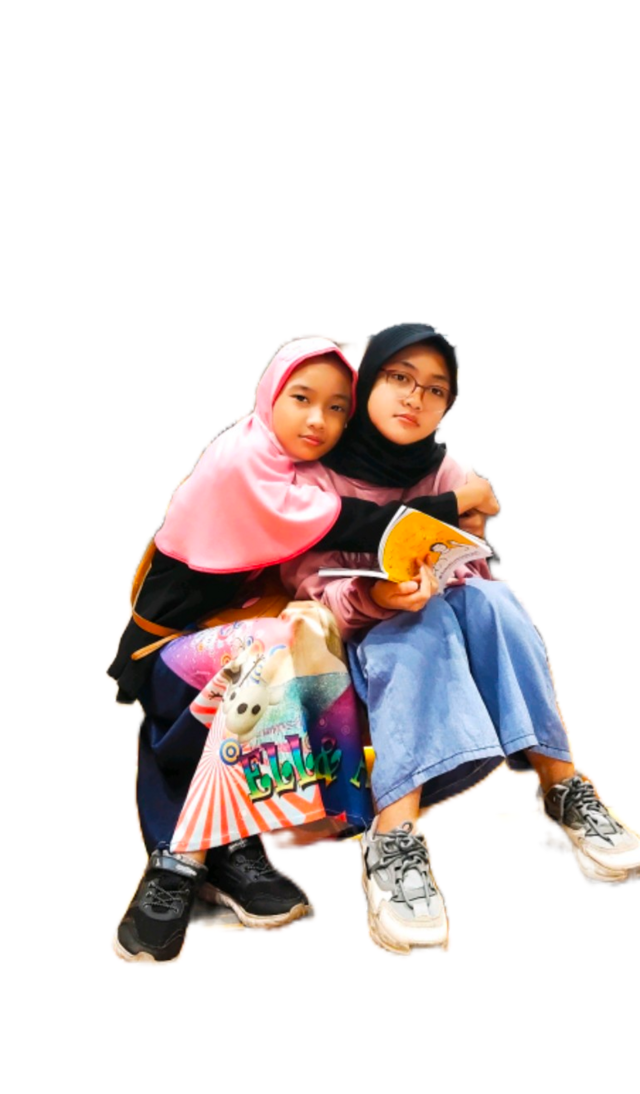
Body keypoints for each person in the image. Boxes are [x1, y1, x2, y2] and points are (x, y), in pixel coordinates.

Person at [107, 333, 482, 966]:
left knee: (292, 638)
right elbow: (352, 522)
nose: (318, 420)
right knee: (286, 637)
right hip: (167, 657)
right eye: (302, 398)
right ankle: (183, 862)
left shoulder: (295, 471)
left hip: (234, 655)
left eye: (338, 408)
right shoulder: (244, 461)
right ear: (269, 394)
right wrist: (457, 501)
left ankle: (232, 845)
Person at [281, 320, 640, 959]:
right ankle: (393, 838)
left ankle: (563, 789)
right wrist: (378, 596)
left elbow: (475, 540)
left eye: (435, 389)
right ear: (368, 383)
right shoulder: (316, 473)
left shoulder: (444, 466)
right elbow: (306, 588)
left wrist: (453, 560)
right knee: (418, 621)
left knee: (494, 597)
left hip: (447, 625)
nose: (415, 398)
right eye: (399, 377)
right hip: (356, 638)